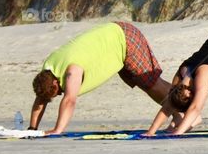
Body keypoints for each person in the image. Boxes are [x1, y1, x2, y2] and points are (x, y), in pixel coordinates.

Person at [29, 21, 172, 135]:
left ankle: (187, 104)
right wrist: (32, 128)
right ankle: (178, 115)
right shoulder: (48, 70)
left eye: (58, 91)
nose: (60, 92)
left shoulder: (72, 70)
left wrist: (57, 130)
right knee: (144, 84)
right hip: (115, 40)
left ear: (55, 82)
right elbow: (41, 100)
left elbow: (69, 100)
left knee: (151, 84)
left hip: (125, 37)